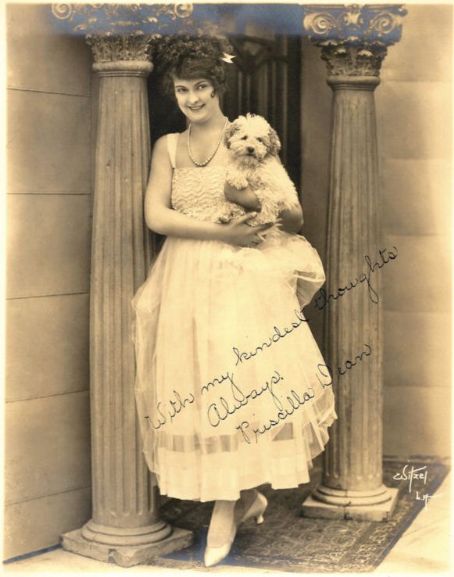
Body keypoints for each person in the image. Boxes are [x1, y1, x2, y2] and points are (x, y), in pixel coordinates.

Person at [132, 34, 337, 567]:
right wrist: (221, 231)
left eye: (201, 86)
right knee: (196, 385)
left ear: (218, 86)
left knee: (238, 386)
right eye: (182, 89)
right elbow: (156, 216)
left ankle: (227, 506)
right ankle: (244, 497)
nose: (192, 98)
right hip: (184, 274)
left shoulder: (248, 138)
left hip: (243, 279)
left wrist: (258, 203)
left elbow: (293, 215)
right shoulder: (168, 147)